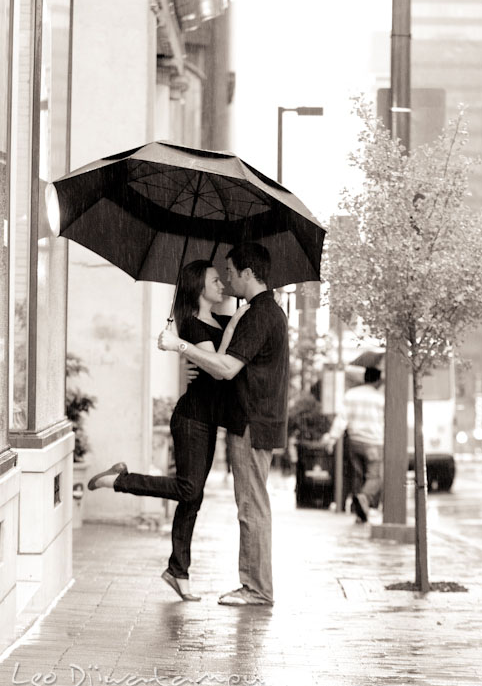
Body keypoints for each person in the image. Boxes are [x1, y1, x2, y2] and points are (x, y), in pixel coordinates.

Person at [87, 260, 249, 601]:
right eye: (215, 281)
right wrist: (196, 342)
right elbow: (220, 370)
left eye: (222, 280)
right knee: (188, 488)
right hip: (191, 419)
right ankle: (117, 480)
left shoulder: (218, 320)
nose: (222, 286)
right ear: (198, 287)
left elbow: (217, 361)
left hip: (206, 420)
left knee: (194, 496)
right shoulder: (191, 325)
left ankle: (178, 571)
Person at [159, 242, 289, 607]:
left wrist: (179, 346)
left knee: (251, 508)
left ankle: (256, 589)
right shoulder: (260, 312)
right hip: (255, 421)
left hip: (250, 423)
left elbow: (226, 368)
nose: (228, 279)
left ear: (248, 273)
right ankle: (255, 585)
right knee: (252, 506)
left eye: (230, 272)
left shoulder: (259, 315)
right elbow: (223, 355)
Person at [320, 366, 384, 523]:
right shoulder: (380, 398)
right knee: (375, 477)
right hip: (373, 442)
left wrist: (333, 438)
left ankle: (360, 514)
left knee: (358, 476)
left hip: (354, 441)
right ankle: (364, 498)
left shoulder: (351, 395)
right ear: (377, 381)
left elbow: (342, 419)